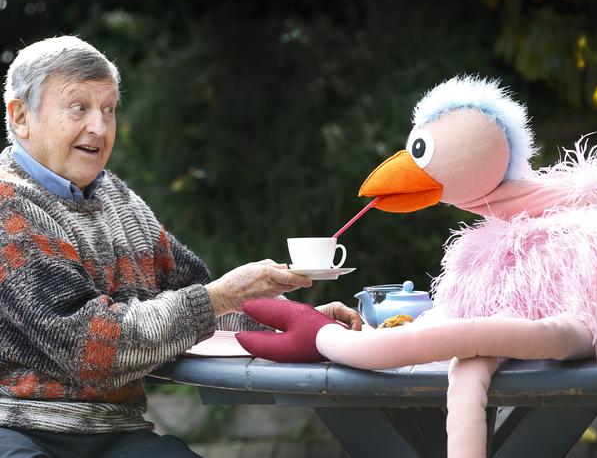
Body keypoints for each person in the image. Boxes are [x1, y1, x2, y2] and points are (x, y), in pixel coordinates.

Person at [0, 35, 361, 458]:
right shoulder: (10, 209)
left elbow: (199, 307)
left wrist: (299, 323)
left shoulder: (120, 202)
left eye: (109, 109)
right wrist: (221, 295)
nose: (99, 127)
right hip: (17, 427)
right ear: (22, 116)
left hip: (116, 433)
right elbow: (91, 346)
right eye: (79, 107)